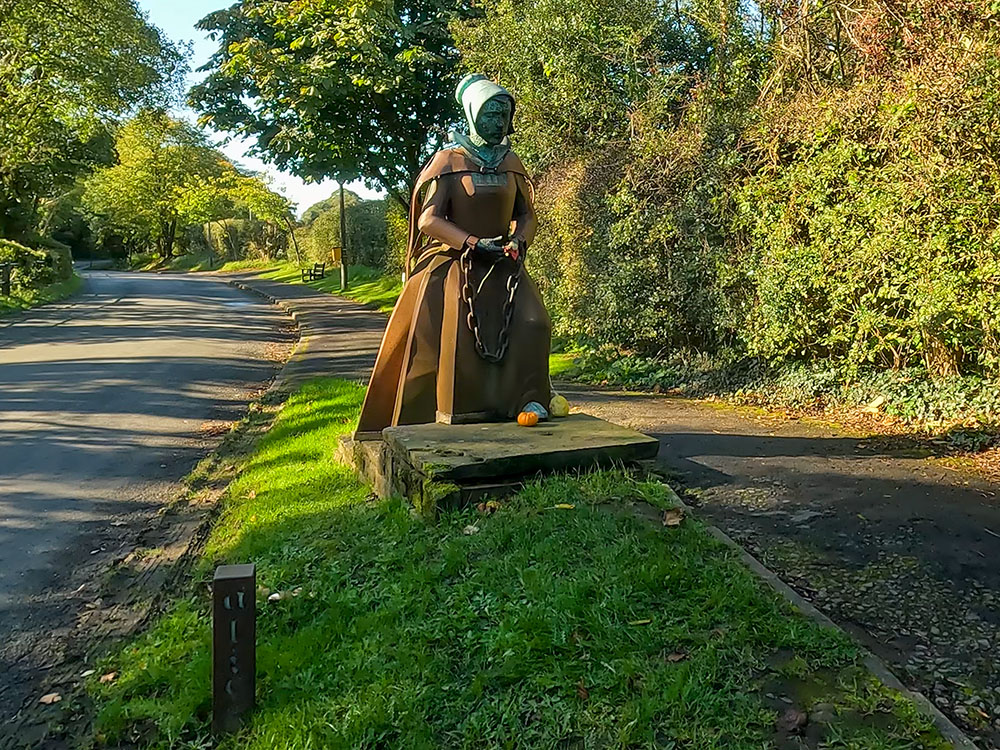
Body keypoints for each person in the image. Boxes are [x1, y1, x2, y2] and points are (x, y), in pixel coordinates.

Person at [355, 74, 552, 437]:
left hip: (503, 260)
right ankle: (457, 407)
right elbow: (429, 218)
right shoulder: (448, 161)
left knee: (533, 321)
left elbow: (526, 214)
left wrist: (518, 241)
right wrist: (472, 242)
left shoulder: (511, 163)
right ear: (474, 115)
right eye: (490, 114)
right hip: (454, 259)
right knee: (452, 330)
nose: (498, 123)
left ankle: (529, 397)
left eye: (504, 115)